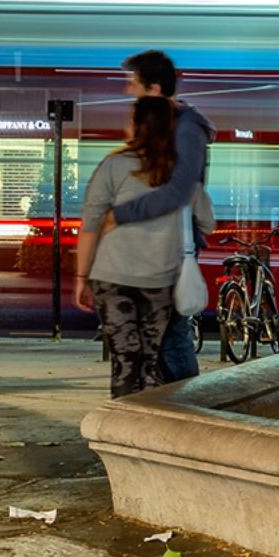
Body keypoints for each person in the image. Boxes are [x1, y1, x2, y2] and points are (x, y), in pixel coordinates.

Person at [101, 51, 215, 380]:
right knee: (156, 334)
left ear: (153, 88)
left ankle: (185, 409)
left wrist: (121, 214)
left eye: (131, 83)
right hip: (151, 243)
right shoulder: (168, 125)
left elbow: (179, 188)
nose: (127, 91)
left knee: (171, 335)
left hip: (171, 244)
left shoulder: (185, 127)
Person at [75, 97, 187, 397]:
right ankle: (147, 428)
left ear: (138, 125)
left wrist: (81, 278)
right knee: (150, 359)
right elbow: (207, 220)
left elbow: (90, 224)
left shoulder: (113, 165)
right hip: (160, 279)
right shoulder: (181, 172)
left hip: (112, 277)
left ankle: (120, 428)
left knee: (124, 358)